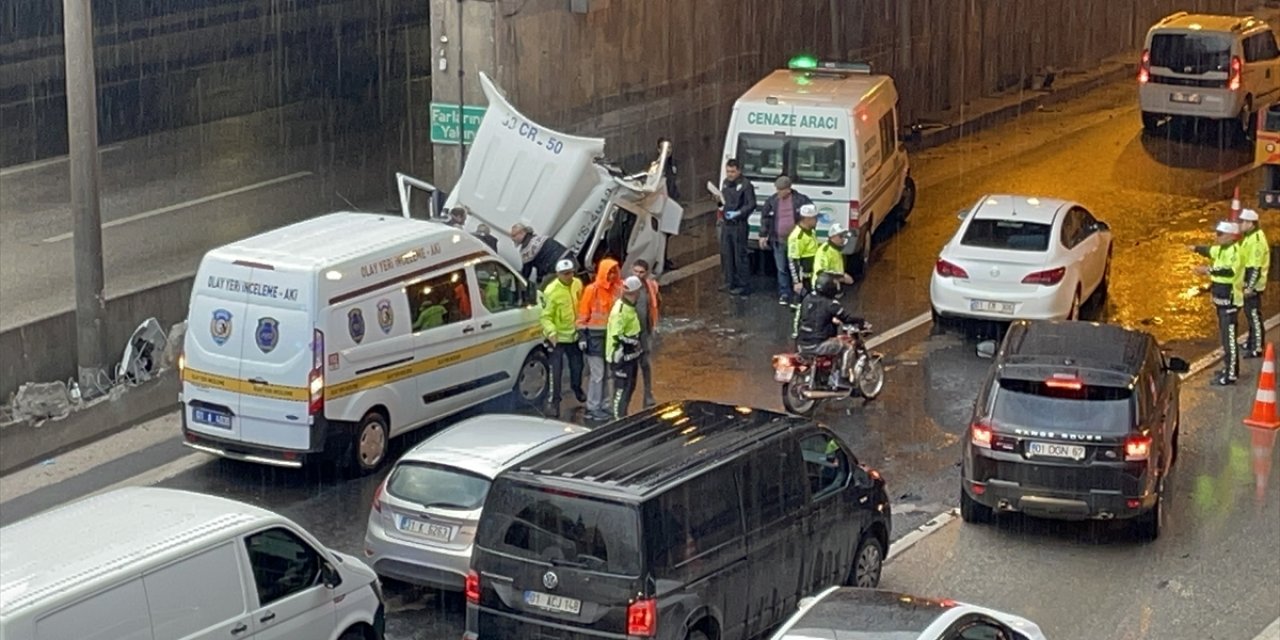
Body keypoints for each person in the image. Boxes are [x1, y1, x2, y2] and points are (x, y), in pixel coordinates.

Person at [1190, 220, 1245, 385]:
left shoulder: (1234, 252)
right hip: (1222, 302)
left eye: (1220, 234)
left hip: (1230, 302)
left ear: (1231, 236)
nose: (1217, 236)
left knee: (1229, 339)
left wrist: (1207, 270)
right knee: (1225, 337)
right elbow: (1209, 250)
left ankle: (1231, 374)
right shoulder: (1221, 249)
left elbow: (1229, 271)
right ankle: (1228, 368)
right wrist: (1195, 248)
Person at [795, 273, 867, 388]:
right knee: (847, 347)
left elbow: (813, 316)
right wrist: (861, 321)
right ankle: (842, 378)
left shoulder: (807, 298)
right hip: (817, 344)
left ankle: (824, 375)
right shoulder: (830, 304)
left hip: (802, 343)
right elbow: (846, 318)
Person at [577, 258, 623, 421]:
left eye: (614, 272)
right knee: (598, 375)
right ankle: (593, 406)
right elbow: (582, 315)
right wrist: (582, 336)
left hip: (610, 339)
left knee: (606, 374)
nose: (612, 275)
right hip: (594, 339)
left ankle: (604, 405)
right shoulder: (592, 290)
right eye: (609, 272)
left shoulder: (617, 289)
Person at [758, 176, 814, 305]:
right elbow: (765, 218)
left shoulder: (801, 200)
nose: (778, 192)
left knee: (797, 268)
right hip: (779, 240)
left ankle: (800, 292)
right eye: (777, 189)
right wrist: (763, 234)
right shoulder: (772, 201)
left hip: (797, 241)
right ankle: (784, 293)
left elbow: (810, 216)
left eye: (780, 190)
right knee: (781, 268)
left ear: (788, 189)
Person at [541, 259, 586, 417]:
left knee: (578, 366)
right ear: (558, 274)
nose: (568, 276)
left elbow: (581, 305)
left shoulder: (577, 284)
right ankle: (554, 402)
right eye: (565, 274)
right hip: (558, 338)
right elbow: (546, 317)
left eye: (570, 273)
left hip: (574, 335)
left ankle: (576, 387)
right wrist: (551, 332)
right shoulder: (551, 291)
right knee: (556, 372)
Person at [607, 276, 645, 419]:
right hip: (621, 357)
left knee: (630, 387)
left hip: (630, 356)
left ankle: (623, 416)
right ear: (635, 292)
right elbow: (617, 335)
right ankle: (618, 419)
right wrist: (634, 342)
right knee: (622, 389)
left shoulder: (629, 307)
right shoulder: (620, 310)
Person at [718, 159, 756, 296]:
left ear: (739, 171)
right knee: (727, 254)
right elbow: (723, 202)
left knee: (740, 255)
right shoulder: (726, 183)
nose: (730, 174)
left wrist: (739, 213)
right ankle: (730, 281)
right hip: (727, 224)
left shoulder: (746, 185)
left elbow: (751, 204)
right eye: (728, 171)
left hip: (739, 225)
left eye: (733, 172)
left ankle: (743, 285)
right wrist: (719, 203)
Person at [1240, 209, 1270, 358]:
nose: (1241, 224)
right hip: (1248, 283)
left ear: (1251, 223)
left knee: (1254, 316)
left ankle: (1257, 347)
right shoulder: (1250, 237)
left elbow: (1255, 268)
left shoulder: (1256, 241)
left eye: (1243, 222)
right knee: (1250, 314)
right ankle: (1251, 341)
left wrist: (1249, 287)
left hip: (1254, 286)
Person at [632, 259, 661, 408]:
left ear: (647, 273)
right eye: (636, 271)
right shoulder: (627, 287)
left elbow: (655, 305)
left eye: (641, 272)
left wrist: (653, 326)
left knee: (645, 363)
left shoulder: (651, 286)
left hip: (645, 331)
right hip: (631, 333)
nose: (638, 275)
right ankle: (626, 397)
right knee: (629, 367)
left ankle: (648, 393)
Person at [787, 204, 821, 305]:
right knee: (802, 304)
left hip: (812, 275)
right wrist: (797, 282)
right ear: (807, 219)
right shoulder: (797, 237)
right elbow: (793, 260)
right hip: (804, 278)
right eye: (814, 218)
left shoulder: (811, 231)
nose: (817, 220)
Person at [812, 223, 855, 289]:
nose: (843, 239)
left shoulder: (836, 249)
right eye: (840, 236)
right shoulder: (824, 251)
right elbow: (821, 272)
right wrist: (842, 277)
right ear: (833, 236)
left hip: (833, 286)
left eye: (844, 236)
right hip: (822, 287)